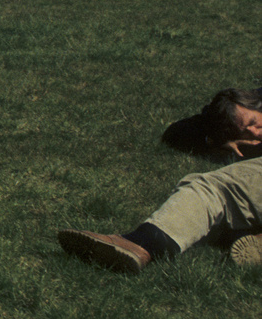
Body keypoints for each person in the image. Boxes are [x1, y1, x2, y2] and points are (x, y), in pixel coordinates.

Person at [58, 88, 262, 272]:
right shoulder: (237, 110)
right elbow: (177, 132)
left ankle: (141, 243)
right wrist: (218, 140)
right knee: (211, 209)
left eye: (253, 122)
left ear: (255, 103)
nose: (254, 132)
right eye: (244, 131)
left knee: (213, 189)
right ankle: (248, 236)